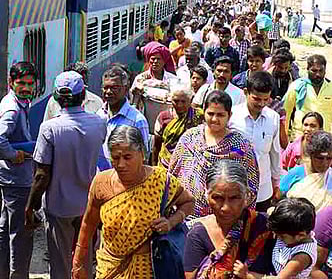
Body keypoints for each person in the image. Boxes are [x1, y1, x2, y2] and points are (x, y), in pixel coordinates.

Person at [71, 126, 194, 279]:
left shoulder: (160, 181)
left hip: (148, 268)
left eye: (127, 157)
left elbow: (188, 202)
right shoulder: (101, 183)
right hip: (110, 266)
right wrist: (78, 261)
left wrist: (170, 222)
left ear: (142, 154)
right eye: (115, 158)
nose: (121, 164)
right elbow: (88, 223)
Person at [25, 71, 106, 279]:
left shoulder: (49, 128)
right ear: (83, 95)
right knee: (85, 256)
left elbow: (42, 175)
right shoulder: (98, 123)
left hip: (59, 206)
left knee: (60, 261)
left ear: (56, 98)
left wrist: (31, 206)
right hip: (88, 204)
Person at [168, 90, 259, 220]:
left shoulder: (241, 146)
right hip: (187, 216)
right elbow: (172, 174)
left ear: (229, 115)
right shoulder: (190, 138)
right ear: (203, 112)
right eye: (210, 114)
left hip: (224, 220)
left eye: (220, 115)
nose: (215, 119)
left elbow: (251, 186)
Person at [183, 160, 276, 279]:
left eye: (234, 198)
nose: (225, 208)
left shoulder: (264, 226)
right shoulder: (198, 235)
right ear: (207, 196)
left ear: (247, 196)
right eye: (217, 198)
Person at [0, 62, 36, 279]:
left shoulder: (18, 102)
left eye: (30, 84)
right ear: (11, 82)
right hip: (17, 180)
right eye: (21, 83)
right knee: (21, 235)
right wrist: (14, 155)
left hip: (9, 178)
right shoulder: (12, 109)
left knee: (5, 230)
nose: (26, 87)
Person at [230, 71, 284, 212]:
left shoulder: (273, 118)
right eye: (257, 99)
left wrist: (276, 182)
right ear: (246, 92)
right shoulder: (231, 117)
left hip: (263, 187)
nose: (261, 104)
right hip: (234, 185)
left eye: (266, 100)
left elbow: (275, 152)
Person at [284, 54, 332, 157]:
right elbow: (286, 112)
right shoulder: (297, 86)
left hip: (323, 138)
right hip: (301, 137)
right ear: (307, 69)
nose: (318, 74)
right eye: (314, 71)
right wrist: (283, 137)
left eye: (321, 71)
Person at [234, 198, 317, 279]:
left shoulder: (302, 257)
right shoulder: (291, 231)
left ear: (301, 235)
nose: (276, 236)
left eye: (282, 236)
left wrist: (247, 275)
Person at [96, 66, 150, 171]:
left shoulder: (137, 120)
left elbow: (144, 157)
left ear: (125, 89)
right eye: (105, 87)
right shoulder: (99, 115)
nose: (108, 92)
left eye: (114, 88)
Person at [280, 130, 332, 211]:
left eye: (329, 158)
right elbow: (279, 198)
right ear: (311, 155)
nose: (325, 163)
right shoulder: (296, 174)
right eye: (320, 158)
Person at [152, 86, 204, 168]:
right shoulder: (163, 117)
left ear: (190, 100)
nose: (179, 105)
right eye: (176, 101)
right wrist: (154, 167)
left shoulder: (198, 117)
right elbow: (157, 144)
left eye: (183, 101)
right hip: (166, 163)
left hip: (189, 166)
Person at [131, 43, 179, 111]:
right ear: (148, 60)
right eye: (153, 59)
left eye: (159, 59)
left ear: (164, 61)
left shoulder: (174, 80)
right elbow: (133, 102)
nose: (155, 62)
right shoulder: (140, 79)